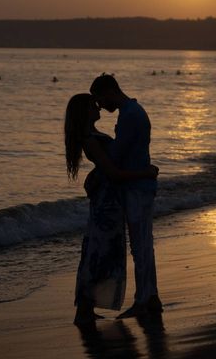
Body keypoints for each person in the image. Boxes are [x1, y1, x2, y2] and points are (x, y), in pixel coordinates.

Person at [64, 93, 159, 326]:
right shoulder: (89, 139)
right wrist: (145, 173)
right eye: (92, 104)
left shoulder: (93, 136)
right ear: (85, 111)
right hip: (106, 203)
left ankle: (87, 308)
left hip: (111, 199)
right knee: (99, 252)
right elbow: (113, 172)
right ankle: (84, 309)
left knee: (105, 252)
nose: (98, 106)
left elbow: (108, 166)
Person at [90, 73, 163, 319]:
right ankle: (150, 297)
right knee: (144, 245)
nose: (100, 105)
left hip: (137, 188)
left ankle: (143, 300)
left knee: (140, 246)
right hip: (139, 186)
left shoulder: (131, 115)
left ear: (110, 91)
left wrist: (99, 170)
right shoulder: (132, 112)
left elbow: (117, 155)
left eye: (99, 99)